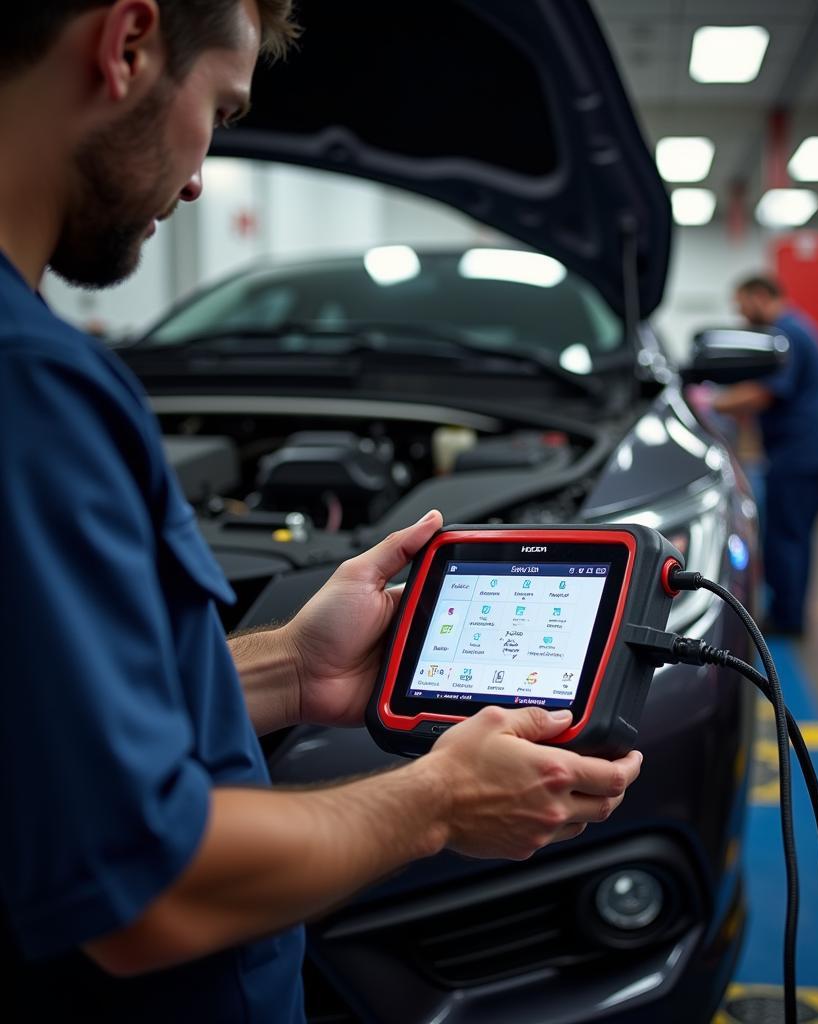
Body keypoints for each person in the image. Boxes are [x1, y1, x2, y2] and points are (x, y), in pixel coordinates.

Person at [0, 3, 643, 1020]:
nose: (203, 172)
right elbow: (147, 888)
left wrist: (289, 666)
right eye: (218, 106)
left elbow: (37, 721)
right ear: (126, 45)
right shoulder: (35, 386)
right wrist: (438, 800)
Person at [713, 274, 818, 636]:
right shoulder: (793, 329)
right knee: (796, 536)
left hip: (804, 454)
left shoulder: (784, 334)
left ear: (760, 297)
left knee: (784, 537)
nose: (741, 314)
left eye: (742, 304)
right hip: (813, 451)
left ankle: (788, 619)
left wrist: (711, 401)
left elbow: (764, 394)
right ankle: (791, 613)